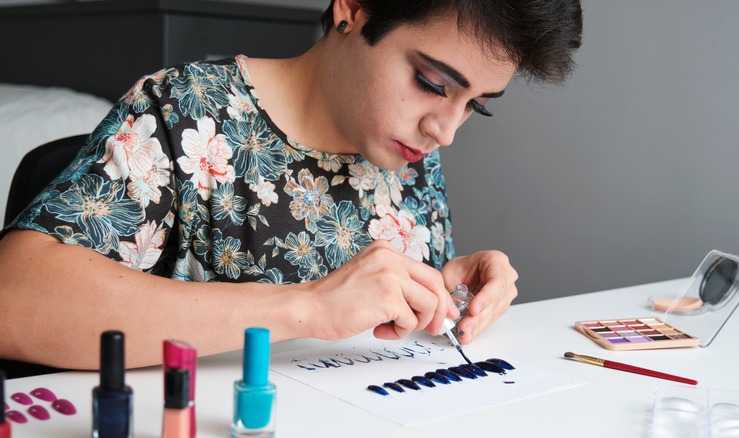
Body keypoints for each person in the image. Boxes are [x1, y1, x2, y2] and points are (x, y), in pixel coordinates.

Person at [0, 0, 582, 372]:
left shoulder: (407, 150)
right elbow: (15, 298)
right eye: (431, 82)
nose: (446, 130)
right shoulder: (185, 112)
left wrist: (444, 289)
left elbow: (385, 314)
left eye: (474, 106)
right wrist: (306, 307)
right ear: (351, 9)